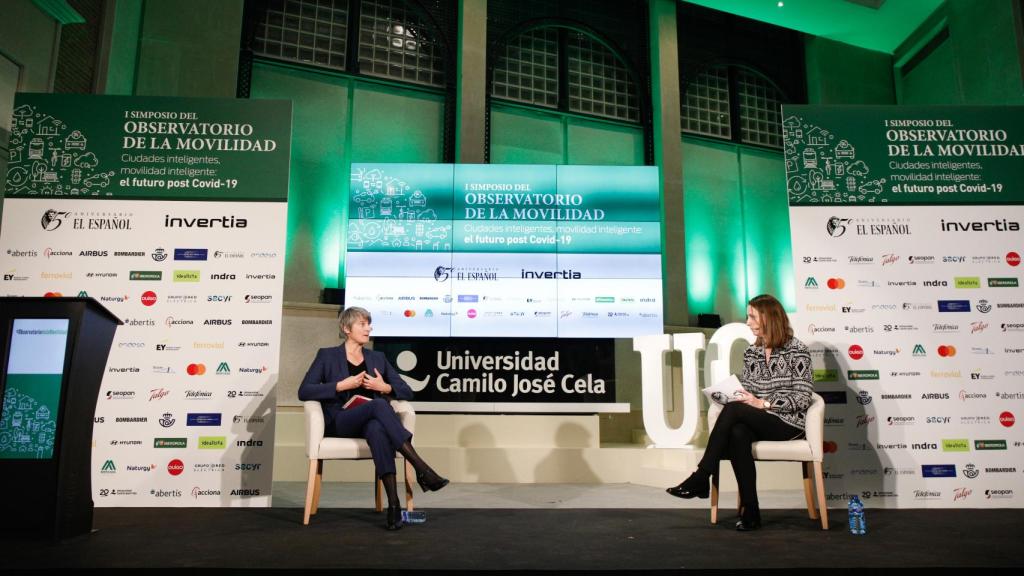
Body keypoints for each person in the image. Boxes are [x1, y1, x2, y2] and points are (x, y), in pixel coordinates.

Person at [666, 294, 813, 531]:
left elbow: (803, 397)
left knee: (736, 413)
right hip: (759, 419)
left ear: (768, 318)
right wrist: (734, 394)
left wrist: (764, 403)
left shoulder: (797, 350)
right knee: (737, 432)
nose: (748, 322)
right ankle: (751, 511)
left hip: (788, 422)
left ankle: (702, 476)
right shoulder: (751, 353)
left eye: (752, 316)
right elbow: (750, 391)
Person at [298, 306, 448, 531]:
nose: (369, 328)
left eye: (369, 324)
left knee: (377, 428)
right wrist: (341, 385)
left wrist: (384, 386)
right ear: (346, 328)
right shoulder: (327, 355)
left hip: (371, 421)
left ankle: (394, 507)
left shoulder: (377, 357)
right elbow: (304, 391)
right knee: (379, 405)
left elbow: (407, 391)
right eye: (363, 324)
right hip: (341, 421)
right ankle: (421, 468)